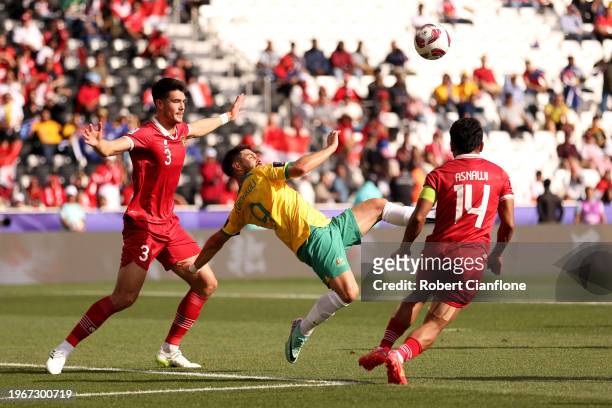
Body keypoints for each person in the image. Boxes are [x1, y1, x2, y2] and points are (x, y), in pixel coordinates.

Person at [45, 78, 245, 375]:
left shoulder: (179, 132)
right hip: (143, 226)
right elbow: (115, 146)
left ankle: (170, 349)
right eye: (177, 101)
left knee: (206, 283)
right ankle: (63, 348)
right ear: (160, 104)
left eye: (184, 102)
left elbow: (199, 128)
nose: (182, 107)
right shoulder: (145, 135)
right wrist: (102, 146)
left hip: (169, 225)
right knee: (124, 298)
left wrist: (228, 115)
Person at [180, 130, 430, 365]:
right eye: (248, 155)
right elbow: (300, 168)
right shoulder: (261, 173)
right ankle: (302, 329)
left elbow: (218, 239)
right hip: (313, 239)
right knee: (349, 293)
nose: (255, 157)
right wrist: (330, 148)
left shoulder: (238, 208)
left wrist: (195, 265)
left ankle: (433, 215)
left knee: (377, 205)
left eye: (255, 154)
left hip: (326, 227)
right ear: (236, 166)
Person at [358, 117, 515, 384]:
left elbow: (418, 217)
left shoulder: (438, 175)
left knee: (416, 297)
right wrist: (497, 254)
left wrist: (404, 248)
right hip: (471, 258)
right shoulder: (499, 175)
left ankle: (384, 347)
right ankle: (400, 355)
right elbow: (509, 223)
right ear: (482, 144)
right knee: (437, 321)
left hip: (436, 252)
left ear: (452, 145)